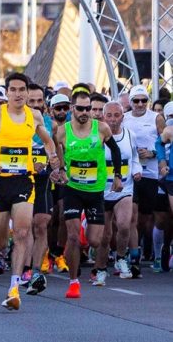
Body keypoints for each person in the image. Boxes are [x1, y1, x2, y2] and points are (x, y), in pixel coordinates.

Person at [0, 73, 59, 311]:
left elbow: (48, 142)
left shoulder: (34, 115)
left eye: (22, 90)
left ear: (28, 93)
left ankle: (14, 288)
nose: (18, 94)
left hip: (24, 181)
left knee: (22, 232)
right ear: (7, 93)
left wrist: (48, 161)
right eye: (13, 90)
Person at [55, 89, 122, 298]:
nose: (85, 112)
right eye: (81, 108)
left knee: (94, 241)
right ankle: (74, 282)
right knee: (73, 237)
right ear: (72, 108)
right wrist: (60, 170)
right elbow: (57, 152)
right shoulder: (62, 131)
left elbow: (116, 150)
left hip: (95, 190)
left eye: (88, 109)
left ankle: (76, 247)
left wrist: (117, 176)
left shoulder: (101, 128)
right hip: (73, 189)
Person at [123, 84, 163, 278]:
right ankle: (132, 256)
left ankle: (144, 249)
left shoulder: (155, 118)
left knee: (146, 219)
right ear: (130, 102)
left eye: (143, 100)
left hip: (151, 172)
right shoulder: (124, 118)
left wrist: (153, 153)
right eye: (136, 100)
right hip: (131, 172)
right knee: (132, 215)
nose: (140, 104)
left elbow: (166, 142)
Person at [101, 101, 140, 283]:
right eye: (109, 115)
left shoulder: (129, 135)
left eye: (117, 115)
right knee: (104, 233)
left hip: (125, 187)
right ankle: (100, 266)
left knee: (124, 225)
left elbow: (134, 158)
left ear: (123, 117)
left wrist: (136, 170)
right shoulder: (97, 136)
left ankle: (121, 257)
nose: (113, 120)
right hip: (101, 189)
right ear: (103, 117)